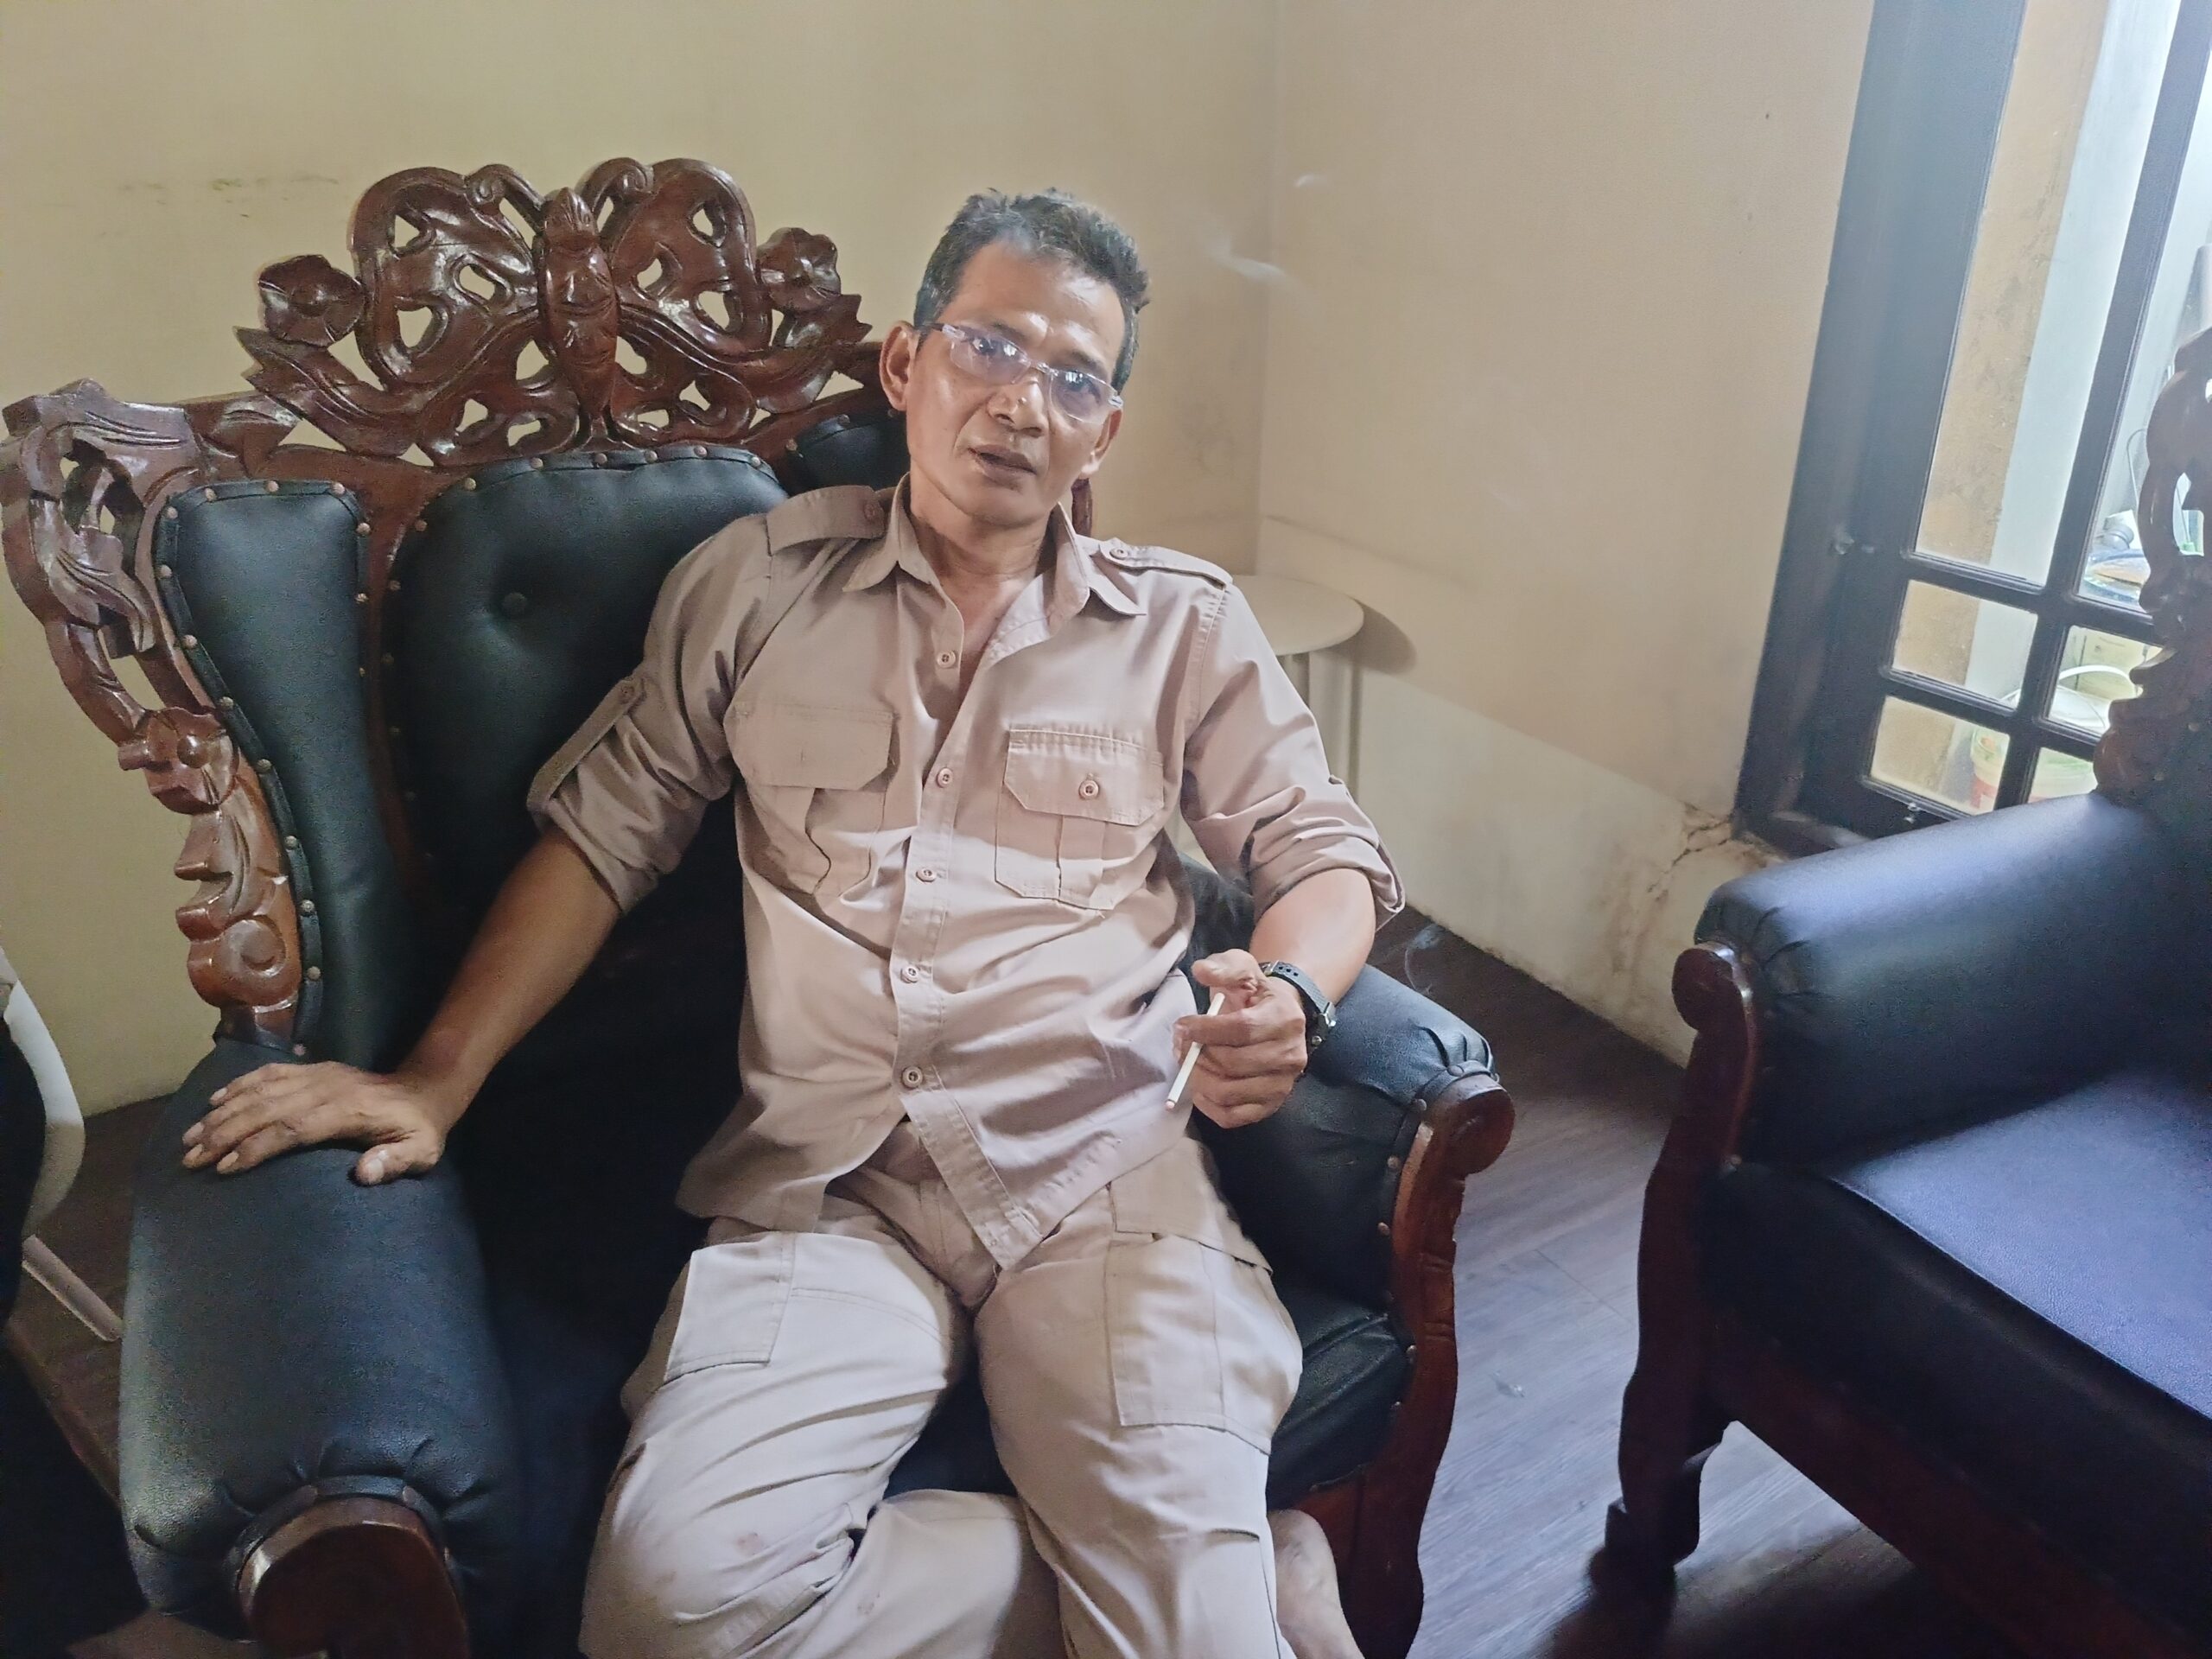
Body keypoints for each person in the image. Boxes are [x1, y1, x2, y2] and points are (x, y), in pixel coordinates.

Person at [181, 189, 1400, 1659]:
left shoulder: (1181, 628)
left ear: (1104, 433)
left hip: (1103, 1171)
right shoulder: (756, 588)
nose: (1023, 402)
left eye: (1074, 379)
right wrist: (433, 1080)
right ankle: (1228, 1570)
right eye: (989, 347)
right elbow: (603, 840)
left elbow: (1321, 849)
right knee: (671, 1615)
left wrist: (1294, 994)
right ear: (907, 364)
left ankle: (1190, 1582)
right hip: (831, 1190)